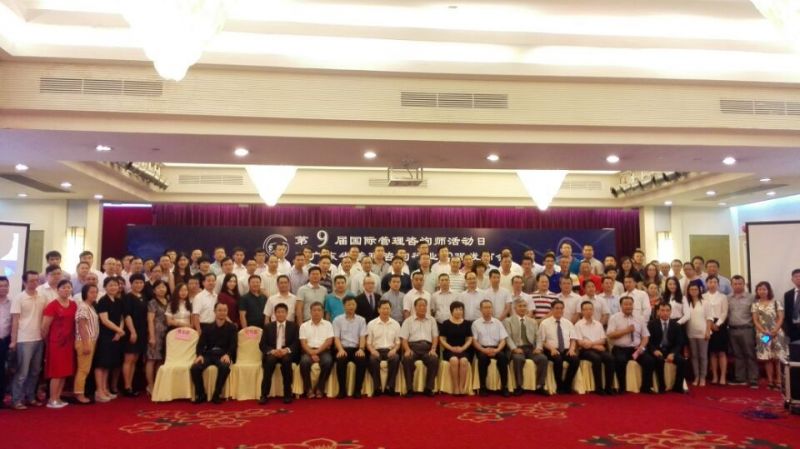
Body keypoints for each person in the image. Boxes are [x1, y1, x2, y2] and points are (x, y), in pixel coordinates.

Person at [10, 271, 46, 409]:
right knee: (22, 372)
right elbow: (15, 321)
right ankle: (16, 400)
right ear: (24, 282)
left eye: (37, 280)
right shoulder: (19, 298)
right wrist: (13, 341)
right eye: (31, 280)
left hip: (39, 338)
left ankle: (30, 397)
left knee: (35, 371)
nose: (35, 283)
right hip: (24, 339)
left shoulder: (42, 297)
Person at [607, 296, 655, 394]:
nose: (628, 306)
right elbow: (610, 335)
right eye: (625, 304)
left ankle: (646, 387)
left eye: (630, 304)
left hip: (636, 348)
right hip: (620, 348)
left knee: (649, 360)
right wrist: (626, 331)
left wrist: (642, 347)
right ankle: (622, 387)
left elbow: (646, 336)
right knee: (620, 361)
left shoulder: (639, 318)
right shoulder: (614, 318)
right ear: (621, 306)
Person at [191, 302, 237, 404]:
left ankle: (216, 395)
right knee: (195, 368)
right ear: (215, 312)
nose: (222, 312)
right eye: (219, 310)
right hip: (208, 354)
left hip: (223, 355)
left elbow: (233, 345)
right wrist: (199, 355)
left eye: (224, 310)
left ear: (227, 312)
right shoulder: (207, 328)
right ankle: (201, 395)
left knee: (224, 367)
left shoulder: (232, 328)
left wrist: (228, 355)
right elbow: (200, 344)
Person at [41, 280, 77, 409]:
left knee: (65, 371)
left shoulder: (73, 304)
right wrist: (47, 341)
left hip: (69, 342)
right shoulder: (52, 305)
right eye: (63, 288)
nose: (66, 290)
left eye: (69, 287)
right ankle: (52, 399)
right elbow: (44, 327)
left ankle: (58, 397)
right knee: (56, 372)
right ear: (58, 290)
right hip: (56, 343)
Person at [504, 299, 548, 396]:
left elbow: (538, 337)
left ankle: (540, 386)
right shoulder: (508, 321)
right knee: (518, 359)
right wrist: (514, 348)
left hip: (530, 348)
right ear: (515, 308)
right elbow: (507, 337)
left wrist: (538, 348)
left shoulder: (533, 321)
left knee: (543, 358)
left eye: (524, 306)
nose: (523, 308)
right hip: (517, 347)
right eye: (520, 306)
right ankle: (519, 386)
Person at [94, 277, 126, 402]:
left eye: (115, 285)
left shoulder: (119, 301)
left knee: (108, 364)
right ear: (105, 287)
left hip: (116, 335)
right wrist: (118, 330)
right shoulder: (103, 301)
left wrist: (119, 331)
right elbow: (104, 320)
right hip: (105, 335)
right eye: (110, 285)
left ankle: (105, 388)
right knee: (101, 364)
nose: (113, 287)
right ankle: (99, 391)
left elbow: (122, 318)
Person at [259, 303, 298, 404]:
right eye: (278, 312)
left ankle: (287, 394)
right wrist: (272, 351)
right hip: (273, 351)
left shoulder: (293, 326)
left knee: (286, 361)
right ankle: (264, 395)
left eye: (283, 312)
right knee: (269, 361)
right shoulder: (268, 327)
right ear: (275, 314)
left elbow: (296, 343)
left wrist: (286, 350)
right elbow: (262, 345)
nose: (280, 314)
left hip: (286, 352)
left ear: (286, 313)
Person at [537, 300, 579, 394]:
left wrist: (572, 349)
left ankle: (567, 385)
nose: (559, 310)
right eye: (557, 308)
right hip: (550, 349)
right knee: (558, 359)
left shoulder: (568, 323)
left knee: (575, 360)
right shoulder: (545, 323)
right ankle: (559, 386)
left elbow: (573, 339)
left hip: (566, 349)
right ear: (552, 309)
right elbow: (542, 341)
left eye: (561, 308)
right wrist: (552, 349)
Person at [400, 297, 439, 397]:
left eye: (424, 306)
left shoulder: (432, 320)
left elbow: (435, 337)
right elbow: (404, 339)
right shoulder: (408, 321)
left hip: (427, 348)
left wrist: (433, 349)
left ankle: (429, 388)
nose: (422, 308)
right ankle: (409, 389)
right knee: (407, 359)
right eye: (420, 306)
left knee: (434, 359)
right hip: (413, 347)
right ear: (415, 307)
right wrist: (407, 349)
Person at [752, 281, 788, 391]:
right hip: (763, 334)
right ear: (757, 291)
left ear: (768, 290)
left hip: (777, 333)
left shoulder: (776, 303)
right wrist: (764, 331)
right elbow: (755, 320)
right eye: (759, 289)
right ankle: (770, 381)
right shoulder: (755, 305)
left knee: (777, 358)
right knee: (767, 357)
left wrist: (775, 330)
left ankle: (779, 381)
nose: (762, 291)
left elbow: (781, 318)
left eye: (764, 289)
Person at [575, 301, 615, 395]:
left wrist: (592, 344)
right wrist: (595, 345)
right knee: (596, 359)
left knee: (610, 358)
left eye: (590, 309)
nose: (588, 311)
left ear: (593, 310)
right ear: (582, 311)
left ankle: (608, 387)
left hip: (597, 348)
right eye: (585, 309)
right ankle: (599, 388)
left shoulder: (598, 324)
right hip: (585, 351)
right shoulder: (578, 325)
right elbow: (580, 343)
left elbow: (603, 340)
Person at [471, 300, 510, 397]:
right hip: (482, 348)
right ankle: (483, 387)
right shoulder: (476, 323)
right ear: (481, 310)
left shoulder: (498, 322)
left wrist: (497, 350)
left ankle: (504, 387)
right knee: (483, 358)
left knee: (503, 358)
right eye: (485, 307)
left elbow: (503, 340)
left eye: (490, 307)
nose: (488, 310)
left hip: (496, 348)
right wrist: (483, 350)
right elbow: (474, 341)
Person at [332, 296, 369, 399]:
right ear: (344, 306)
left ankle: (357, 390)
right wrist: (340, 350)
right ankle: (342, 390)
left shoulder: (361, 320)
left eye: (353, 304)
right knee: (341, 360)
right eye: (348, 305)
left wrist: (361, 349)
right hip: (343, 348)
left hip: (356, 348)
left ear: (356, 306)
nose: (351, 307)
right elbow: (336, 338)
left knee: (361, 360)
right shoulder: (337, 320)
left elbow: (362, 336)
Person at [647, 303, 687, 393]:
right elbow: (648, 341)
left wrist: (673, 353)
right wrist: (654, 350)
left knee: (682, 361)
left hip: (670, 350)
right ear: (658, 312)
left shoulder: (676, 325)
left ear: (670, 312)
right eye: (662, 310)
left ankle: (678, 386)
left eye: (667, 310)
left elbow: (679, 343)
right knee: (659, 360)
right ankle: (662, 386)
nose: (665, 313)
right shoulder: (651, 324)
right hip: (658, 350)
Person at [727, 275, 759, 388]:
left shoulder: (752, 298)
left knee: (750, 354)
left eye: (740, 283)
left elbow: (757, 315)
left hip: (747, 330)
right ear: (731, 285)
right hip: (732, 330)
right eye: (735, 284)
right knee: (737, 355)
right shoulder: (728, 298)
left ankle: (753, 379)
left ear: (744, 284)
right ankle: (740, 378)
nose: (737, 286)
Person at [299, 302, 335, 399]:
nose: (316, 312)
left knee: (328, 361)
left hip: (323, 350)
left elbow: (329, 341)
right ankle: (308, 389)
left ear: (323, 312)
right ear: (310, 312)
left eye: (319, 310)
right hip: (308, 351)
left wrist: (317, 352)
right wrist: (311, 352)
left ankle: (320, 388)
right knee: (304, 362)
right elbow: (303, 343)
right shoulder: (304, 325)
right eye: (314, 310)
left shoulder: (328, 324)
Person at [366, 300, 401, 397]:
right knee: (372, 359)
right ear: (378, 310)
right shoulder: (371, 324)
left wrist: (394, 350)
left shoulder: (396, 324)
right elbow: (368, 343)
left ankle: (390, 386)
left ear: (390, 310)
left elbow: (398, 342)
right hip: (376, 350)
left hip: (390, 350)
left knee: (396, 358)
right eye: (383, 308)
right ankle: (377, 387)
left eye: (388, 308)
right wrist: (372, 351)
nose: (385, 311)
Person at [121, 273, 148, 397]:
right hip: (131, 331)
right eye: (136, 283)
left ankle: (130, 385)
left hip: (142, 331)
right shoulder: (128, 297)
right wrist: (132, 331)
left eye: (141, 282)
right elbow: (127, 315)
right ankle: (126, 387)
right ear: (131, 284)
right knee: (129, 359)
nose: (139, 285)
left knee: (135, 359)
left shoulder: (143, 296)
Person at [439, 301, 473, 396]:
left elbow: (469, 339)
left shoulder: (467, 323)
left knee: (463, 361)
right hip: (449, 350)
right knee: (454, 360)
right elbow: (442, 339)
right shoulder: (446, 323)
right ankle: (455, 387)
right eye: (456, 309)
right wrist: (451, 348)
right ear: (451, 311)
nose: (459, 311)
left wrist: (463, 348)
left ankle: (461, 387)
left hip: (463, 350)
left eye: (461, 310)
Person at [74, 284, 100, 404]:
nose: (94, 294)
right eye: (91, 292)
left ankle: (80, 392)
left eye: (95, 292)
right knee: (83, 369)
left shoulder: (91, 306)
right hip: (85, 340)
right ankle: (79, 394)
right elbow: (82, 326)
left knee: (86, 369)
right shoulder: (83, 307)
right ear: (85, 293)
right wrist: (85, 343)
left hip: (91, 340)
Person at [685, 283, 712, 387]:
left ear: (699, 290)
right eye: (691, 289)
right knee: (694, 356)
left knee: (703, 356)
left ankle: (703, 377)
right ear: (688, 291)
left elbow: (709, 318)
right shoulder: (687, 303)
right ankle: (696, 376)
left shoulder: (705, 302)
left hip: (703, 332)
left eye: (695, 289)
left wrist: (708, 331)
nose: (693, 291)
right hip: (691, 332)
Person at [146, 280, 170, 395]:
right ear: (154, 290)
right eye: (159, 287)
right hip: (155, 333)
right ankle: (150, 385)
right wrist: (151, 337)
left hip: (166, 334)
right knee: (151, 359)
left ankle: (158, 383)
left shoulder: (168, 301)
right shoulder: (152, 302)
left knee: (160, 359)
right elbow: (150, 320)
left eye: (163, 287)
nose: (162, 289)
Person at [705, 276, 729, 385]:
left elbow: (724, 312)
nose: (712, 284)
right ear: (707, 284)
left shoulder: (723, 297)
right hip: (707, 324)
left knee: (721, 352)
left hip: (720, 325)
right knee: (712, 352)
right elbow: (703, 312)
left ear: (718, 284)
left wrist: (717, 324)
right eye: (710, 282)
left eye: (715, 282)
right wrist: (710, 325)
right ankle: (714, 376)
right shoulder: (703, 296)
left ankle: (723, 376)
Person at [784, 268, 800, 343]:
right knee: (795, 348)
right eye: (796, 276)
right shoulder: (788, 294)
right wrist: (787, 329)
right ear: (792, 279)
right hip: (793, 328)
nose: (798, 278)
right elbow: (787, 312)